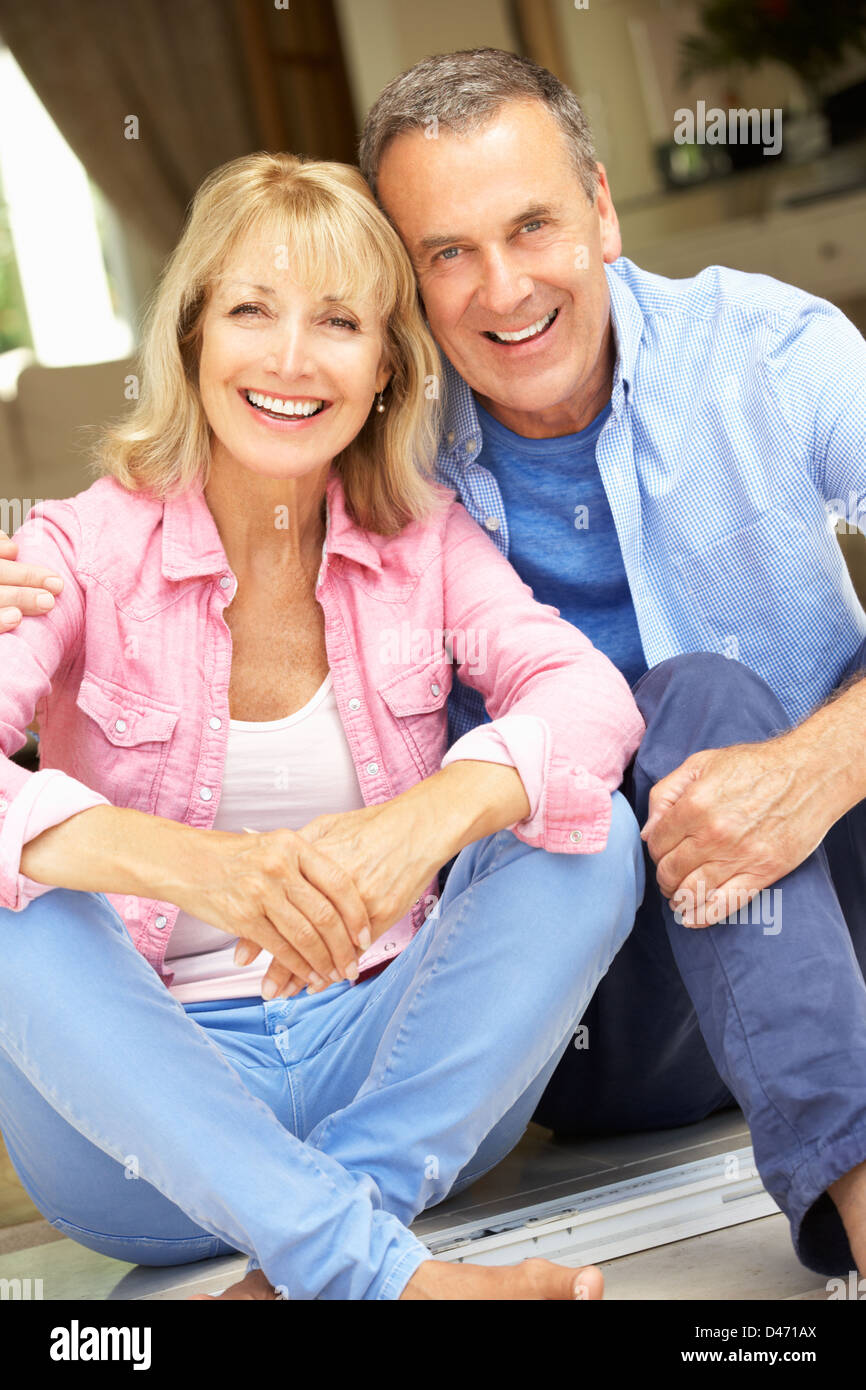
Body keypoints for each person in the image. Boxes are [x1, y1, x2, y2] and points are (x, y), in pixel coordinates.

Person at [0, 150, 645, 1301]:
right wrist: (201, 868)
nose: (292, 359)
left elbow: (586, 698)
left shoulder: (424, 542)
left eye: (339, 320)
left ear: (387, 367)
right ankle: (379, 1275)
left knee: (586, 827)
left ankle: (309, 1252)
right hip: (145, 1133)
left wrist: (419, 825)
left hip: (392, 1089)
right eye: (252, 309)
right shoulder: (75, 547)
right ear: (193, 333)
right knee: (15, 907)